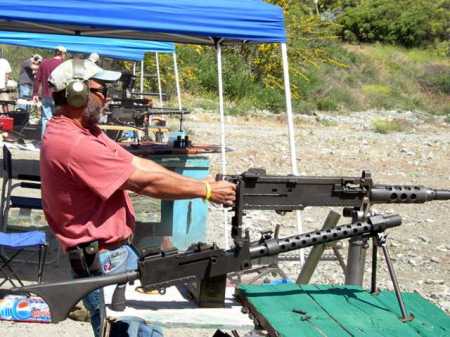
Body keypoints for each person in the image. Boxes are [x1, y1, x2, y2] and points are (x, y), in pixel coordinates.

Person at [41, 58, 236, 337]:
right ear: (76, 92)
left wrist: (196, 183)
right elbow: (144, 183)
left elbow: (135, 165)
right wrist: (205, 191)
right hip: (101, 260)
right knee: (128, 332)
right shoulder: (73, 143)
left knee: (142, 328)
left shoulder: (86, 131)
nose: (106, 99)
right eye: (100, 91)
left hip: (112, 254)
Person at [33, 45, 66, 137]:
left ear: (55, 52)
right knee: (58, 120)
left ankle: (44, 141)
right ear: (63, 54)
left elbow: (37, 79)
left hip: (46, 95)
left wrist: (35, 93)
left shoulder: (44, 63)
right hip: (58, 95)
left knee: (45, 118)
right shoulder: (63, 65)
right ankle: (54, 142)